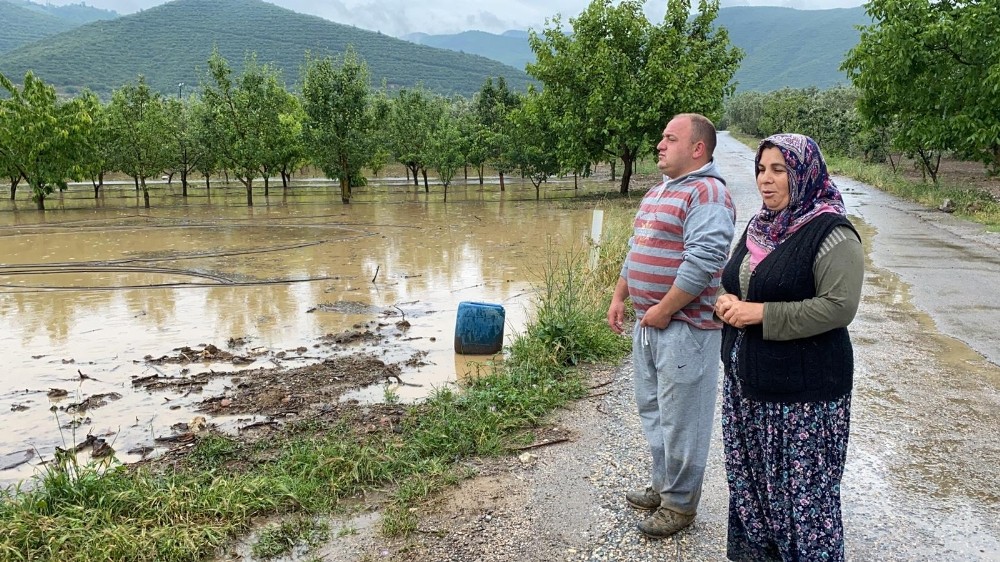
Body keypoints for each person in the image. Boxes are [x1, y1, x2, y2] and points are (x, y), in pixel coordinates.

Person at [715, 133, 864, 561]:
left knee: (803, 502)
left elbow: (838, 307)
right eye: (761, 169)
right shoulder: (759, 226)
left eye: (778, 170)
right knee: (754, 491)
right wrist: (725, 303)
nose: (766, 179)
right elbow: (738, 283)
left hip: (803, 399)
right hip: (747, 389)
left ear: (804, 174)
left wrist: (761, 314)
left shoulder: (832, 233)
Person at [607, 113, 736, 538]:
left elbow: (705, 259)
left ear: (698, 148)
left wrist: (663, 308)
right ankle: (664, 486)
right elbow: (636, 248)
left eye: (670, 138)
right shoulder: (658, 191)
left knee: (683, 419)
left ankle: (680, 504)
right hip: (650, 325)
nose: (659, 145)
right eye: (661, 137)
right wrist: (620, 295)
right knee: (655, 411)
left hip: (684, 327)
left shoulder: (708, 193)